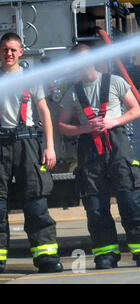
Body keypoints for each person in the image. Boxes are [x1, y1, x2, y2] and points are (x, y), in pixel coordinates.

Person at [0, 32, 63, 275]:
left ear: (21, 52)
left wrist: (50, 146)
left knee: (36, 202)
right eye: (5, 49)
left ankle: (46, 257)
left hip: (28, 145)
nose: (9, 53)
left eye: (13, 49)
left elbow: (44, 113)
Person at [57, 43, 140, 269]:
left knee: (130, 200)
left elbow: (136, 109)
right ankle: (106, 254)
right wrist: (84, 128)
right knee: (95, 205)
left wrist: (114, 121)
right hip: (89, 149)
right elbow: (62, 125)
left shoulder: (114, 81)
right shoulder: (73, 92)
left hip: (117, 144)